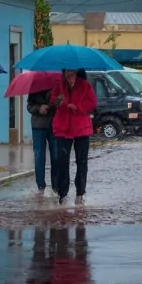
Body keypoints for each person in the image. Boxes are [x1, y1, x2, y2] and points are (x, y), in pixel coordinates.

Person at [51, 68, 97, 205]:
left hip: (81, 128)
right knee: (62, 162)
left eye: (72, 72)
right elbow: (53, 101)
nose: (70, 75)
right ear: (64, 73)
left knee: (81, 162)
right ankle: (62, 193)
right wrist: (59, 102)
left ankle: (80, 193)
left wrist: (78, 106)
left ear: (77, 73)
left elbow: (92, 103)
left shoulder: (85, 85)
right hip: (62, 128)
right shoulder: (59, 85)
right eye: (67, 73)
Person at [27, 88, 57, 194]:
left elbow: (59, 104)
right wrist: (39, 108)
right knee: (39, 155)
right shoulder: (35, 87)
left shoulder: (55, 85)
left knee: (56, 155)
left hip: (53, 125)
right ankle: (40, 185)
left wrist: (51, 105)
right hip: (38, 126)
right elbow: (29, 106)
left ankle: (55, 184)